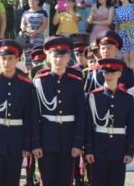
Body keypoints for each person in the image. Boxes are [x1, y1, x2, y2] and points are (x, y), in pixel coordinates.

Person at [30, 37, 86, 186]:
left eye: (62, 55)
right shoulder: (39, 81)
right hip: (46, 139)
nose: (59, 59)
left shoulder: (76, 81)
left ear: (68, 57)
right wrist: (35, 143)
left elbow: (81, 114)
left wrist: (78, 142)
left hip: (69, 139)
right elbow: (34, 115)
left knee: (65, 180)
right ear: (48, 56)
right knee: (46, 180)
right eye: (55, 55)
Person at [0, 39, 33, 186]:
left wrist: (27, 144)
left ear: (17, 59)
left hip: (17, 139)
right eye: (3, 58)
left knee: (13, 180)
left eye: (10, 58)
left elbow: (28, 116)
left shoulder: (26, 84)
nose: (6, 62)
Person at [85, 58, 134, 186]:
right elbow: (88, 126)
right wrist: (89, 149)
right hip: (98, 147)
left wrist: (130, 151)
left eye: (113, 73)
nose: (109, 76)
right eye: (106, 73)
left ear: (120, 73)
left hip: (119, 148)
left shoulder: (127, 99)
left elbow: (131, 127)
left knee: (117, 182)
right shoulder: (93, 97)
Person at [84, 31, 134, 101]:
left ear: (116, 50)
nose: (106, 51)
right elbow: (86, 97)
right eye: (103, 48)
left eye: (109, 48)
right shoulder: (93, 72)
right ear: (100, 50)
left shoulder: (126, 72)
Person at [20, 0, 48, 70]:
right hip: (27, 38)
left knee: (37, 56)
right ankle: (29, 76)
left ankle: (38, 74)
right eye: (29, 1)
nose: (31, 2)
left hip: (38, 37)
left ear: (37, 1)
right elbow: (22, 25)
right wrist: (28, 30)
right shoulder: (25, 12)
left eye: (33, 1)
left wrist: (36, 32)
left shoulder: (43, 12)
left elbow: (44, 25)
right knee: (28, 58)